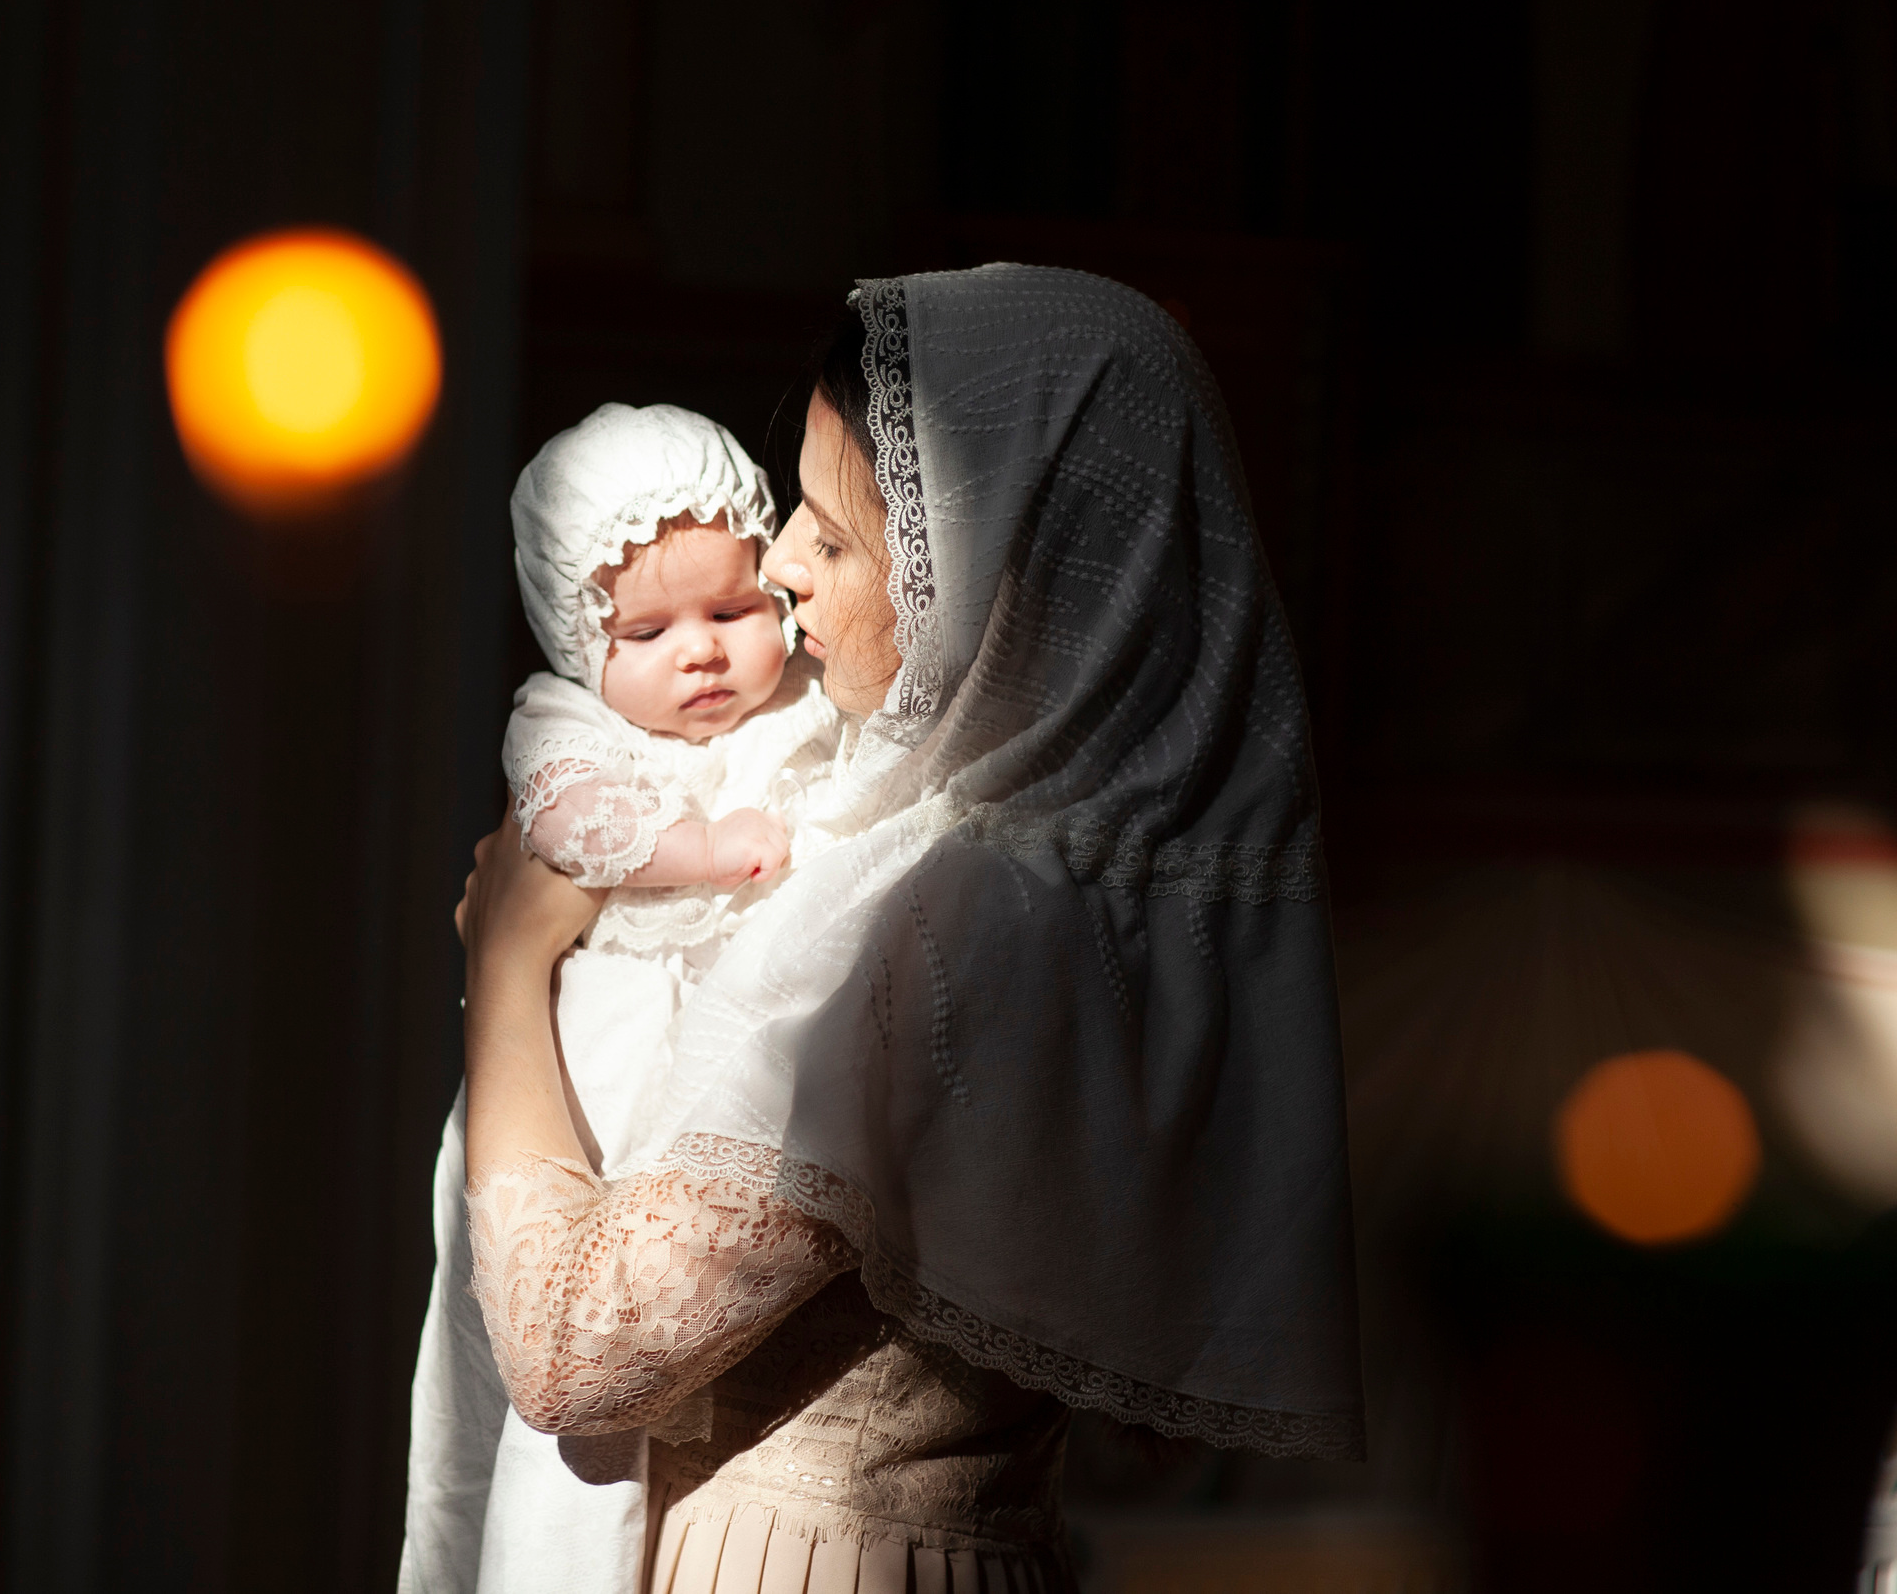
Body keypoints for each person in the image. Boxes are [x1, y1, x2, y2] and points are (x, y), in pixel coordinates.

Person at [426, 265, 1365, 1594]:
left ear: (983, 575)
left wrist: (507, 966)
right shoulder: (1122, 891)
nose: (779, 568)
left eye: (833, 537)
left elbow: (577, 1352)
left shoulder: (938, 909)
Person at [401, 405, 846, 1594]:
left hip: (724, 1094)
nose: (700, 654)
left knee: (666, 1339)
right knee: (554, 1392)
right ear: (573, 640)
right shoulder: (566, 722)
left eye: (731, 612)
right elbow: (568, 827)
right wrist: (702, 848)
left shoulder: (808, 698)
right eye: (646, 631)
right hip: (596, 1058)